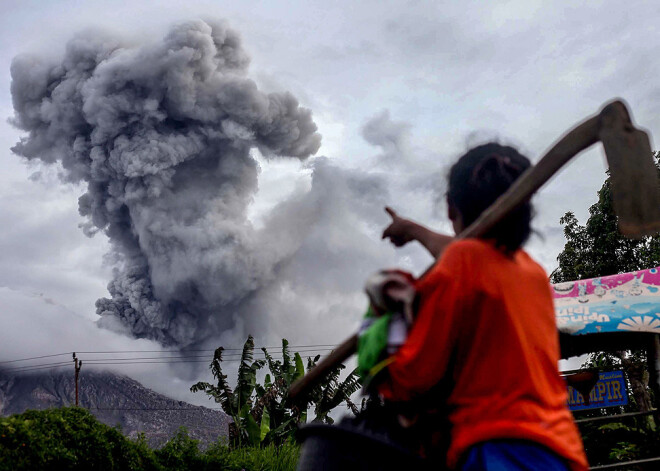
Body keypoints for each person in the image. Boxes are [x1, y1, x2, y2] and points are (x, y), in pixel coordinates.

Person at [379, 143, 588, 471]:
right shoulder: (531, 271)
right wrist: (413, 230)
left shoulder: (462, 264)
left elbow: (414, 378)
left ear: (450, 208)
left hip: (498, 449)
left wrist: (380, 322)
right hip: (560, 449)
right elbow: (469, 255)